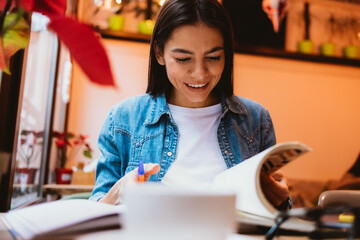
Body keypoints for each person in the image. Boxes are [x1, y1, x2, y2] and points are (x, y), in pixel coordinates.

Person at [90, 0, 290, 209]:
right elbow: (93, 214)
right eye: (183, 59)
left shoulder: (255, 120)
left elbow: (273, 215)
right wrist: (117, 194)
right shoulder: (124, 120)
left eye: (213, 57)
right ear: (159, 52)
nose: (200, 73)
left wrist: (280, 201)